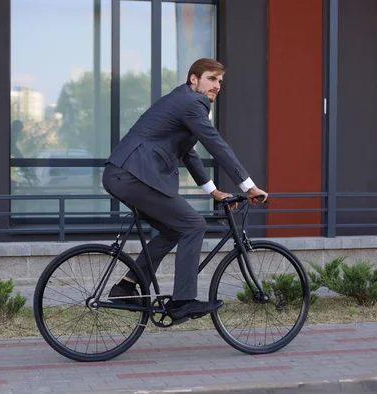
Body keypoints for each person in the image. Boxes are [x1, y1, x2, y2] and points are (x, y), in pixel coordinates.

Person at [102, 58, 268, 323]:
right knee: (193, 225)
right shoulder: (193, 103)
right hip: (134, 175)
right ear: (194, 79)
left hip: (125, 174)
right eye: (212, 79)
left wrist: (213, 192)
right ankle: (183, 300)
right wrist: (248, 185)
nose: (217, 86)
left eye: (220, 82)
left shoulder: (182, 101)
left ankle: (126, 286)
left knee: (172, 229)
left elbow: (188, 153)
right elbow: (216, 144)